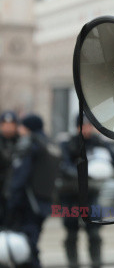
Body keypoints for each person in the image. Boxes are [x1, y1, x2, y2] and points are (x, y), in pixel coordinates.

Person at [58, 115, 114, 268]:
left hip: (91, 194)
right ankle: (73, 264)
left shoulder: (99, 143)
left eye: (88, 126)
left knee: (94, 233)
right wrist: (82, 174)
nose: (86, 129)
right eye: (83, 126)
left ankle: (96, 264)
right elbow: (63, 166)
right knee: (71, 233)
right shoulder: (68, 144)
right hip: (71, 195)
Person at [3, 114, 55, 268]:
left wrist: (10, 204)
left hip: (27, 206)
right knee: (31, 245)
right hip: (42, 205)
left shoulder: (29, 145)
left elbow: (19, 179)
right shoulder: (48, 145)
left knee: (25, 250)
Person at [0, 111, 19, 226]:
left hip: (15, 188)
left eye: (11, 124)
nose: (8, 127)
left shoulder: (22, 140)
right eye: (5, 124)